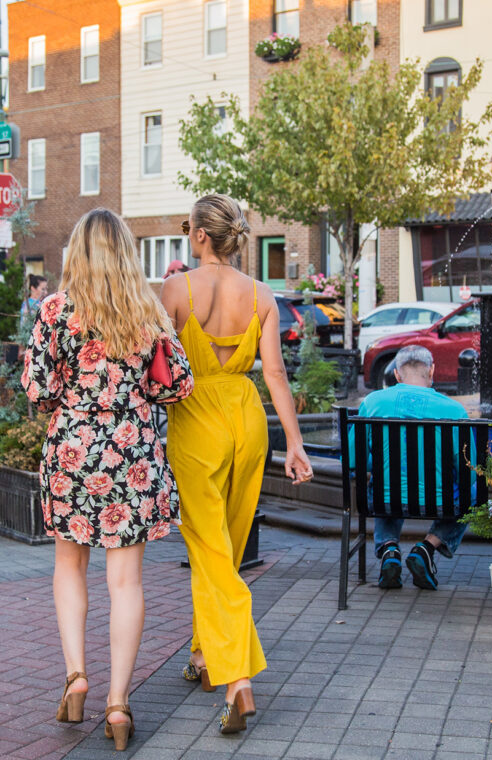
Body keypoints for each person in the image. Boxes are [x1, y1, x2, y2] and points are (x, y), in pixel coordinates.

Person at [21, 208, 193, 751]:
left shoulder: (54, 311)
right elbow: (177, 386)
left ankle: (77, 675)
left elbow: (37, 390)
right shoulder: (146, 313)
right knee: (127, 584)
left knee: (68, 566)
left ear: (78, 254)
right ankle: (118, 704)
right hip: (131, 458)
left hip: (72, 454)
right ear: (124, 253)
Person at [161, 194, 313, 735]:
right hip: (248, 420)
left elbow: (154, 362)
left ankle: (238, 679)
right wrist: (295, 443)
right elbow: (275, 374)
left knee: (211, 553)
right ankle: (204, 656)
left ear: (201, 235)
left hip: (196, 418)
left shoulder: (177, 289)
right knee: (224, 543)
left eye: (187, 229)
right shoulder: (263, 294)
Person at [351, 345, 470, 591]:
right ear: (432, 371)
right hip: (441, 500)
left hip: (384, 498)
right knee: (471, 498)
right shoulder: (454, 410)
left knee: (386, 483)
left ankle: (389, 549)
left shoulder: (373, 402)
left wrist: (383, 465)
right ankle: (426, 548)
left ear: (396, 374)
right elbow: (468, 465)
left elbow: (354, 459)